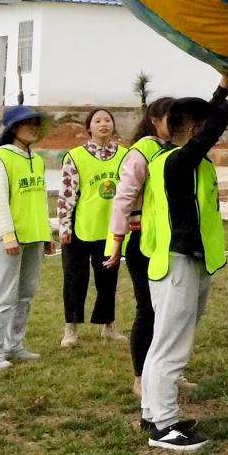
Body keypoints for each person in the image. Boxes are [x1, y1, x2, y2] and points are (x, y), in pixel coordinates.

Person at [136, 73, 228, 451]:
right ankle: (165, 427)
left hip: (188, 261)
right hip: (177, 264)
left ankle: (152, 411)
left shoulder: (182, 159)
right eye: (202, 128)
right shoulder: (173, 162)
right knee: (171, 347)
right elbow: (208, 133)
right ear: (194, 130)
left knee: (164, 343)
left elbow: (205, 124)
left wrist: (224, 85)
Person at [106, 96, 176, 397]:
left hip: (172, 242)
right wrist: (117, 243)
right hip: (144, 243)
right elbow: (122, 200)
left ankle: (168, 372)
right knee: (148, 309)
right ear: (155, 120)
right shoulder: (141, 153)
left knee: (171, 312)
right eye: (172, 117)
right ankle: (140, 376)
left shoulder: (176, 149)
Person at [0, 105, 56, 369]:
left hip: (34, 236)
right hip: (9, 239)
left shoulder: (36, 160)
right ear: (14, 128)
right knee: (3, 294)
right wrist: (8, 235)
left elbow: (41, 199)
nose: (34, 128)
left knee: (26, 293)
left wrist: (46, 233)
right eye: (28, 123)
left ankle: (15, 345)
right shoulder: (1, 159)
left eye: (36, 123)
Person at [57, 107, 127, 347]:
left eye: (108, 119)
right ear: (89, 128)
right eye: (97, 120)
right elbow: (66, 195)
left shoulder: (124, 155)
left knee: (108, 280)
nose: (103, 124)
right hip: (80, 229)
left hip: (110, 230)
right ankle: (71, 328)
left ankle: (108, 326)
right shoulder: (75, 156)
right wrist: (64, 227)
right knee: (75, 280)